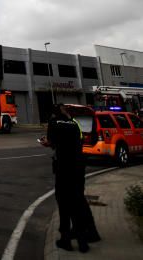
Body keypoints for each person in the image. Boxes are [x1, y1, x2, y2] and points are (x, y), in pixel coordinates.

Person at [40, 103, 100, 253]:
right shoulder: (75, 123)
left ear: (53, 114)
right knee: (78, 203)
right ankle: (82, 242)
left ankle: (66, 239)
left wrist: (47, 143)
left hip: (63, 169)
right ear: (65, 112)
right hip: (78, 167)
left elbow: (51, 142)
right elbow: (81, 140)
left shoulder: (53, 123)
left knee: (63, 203)